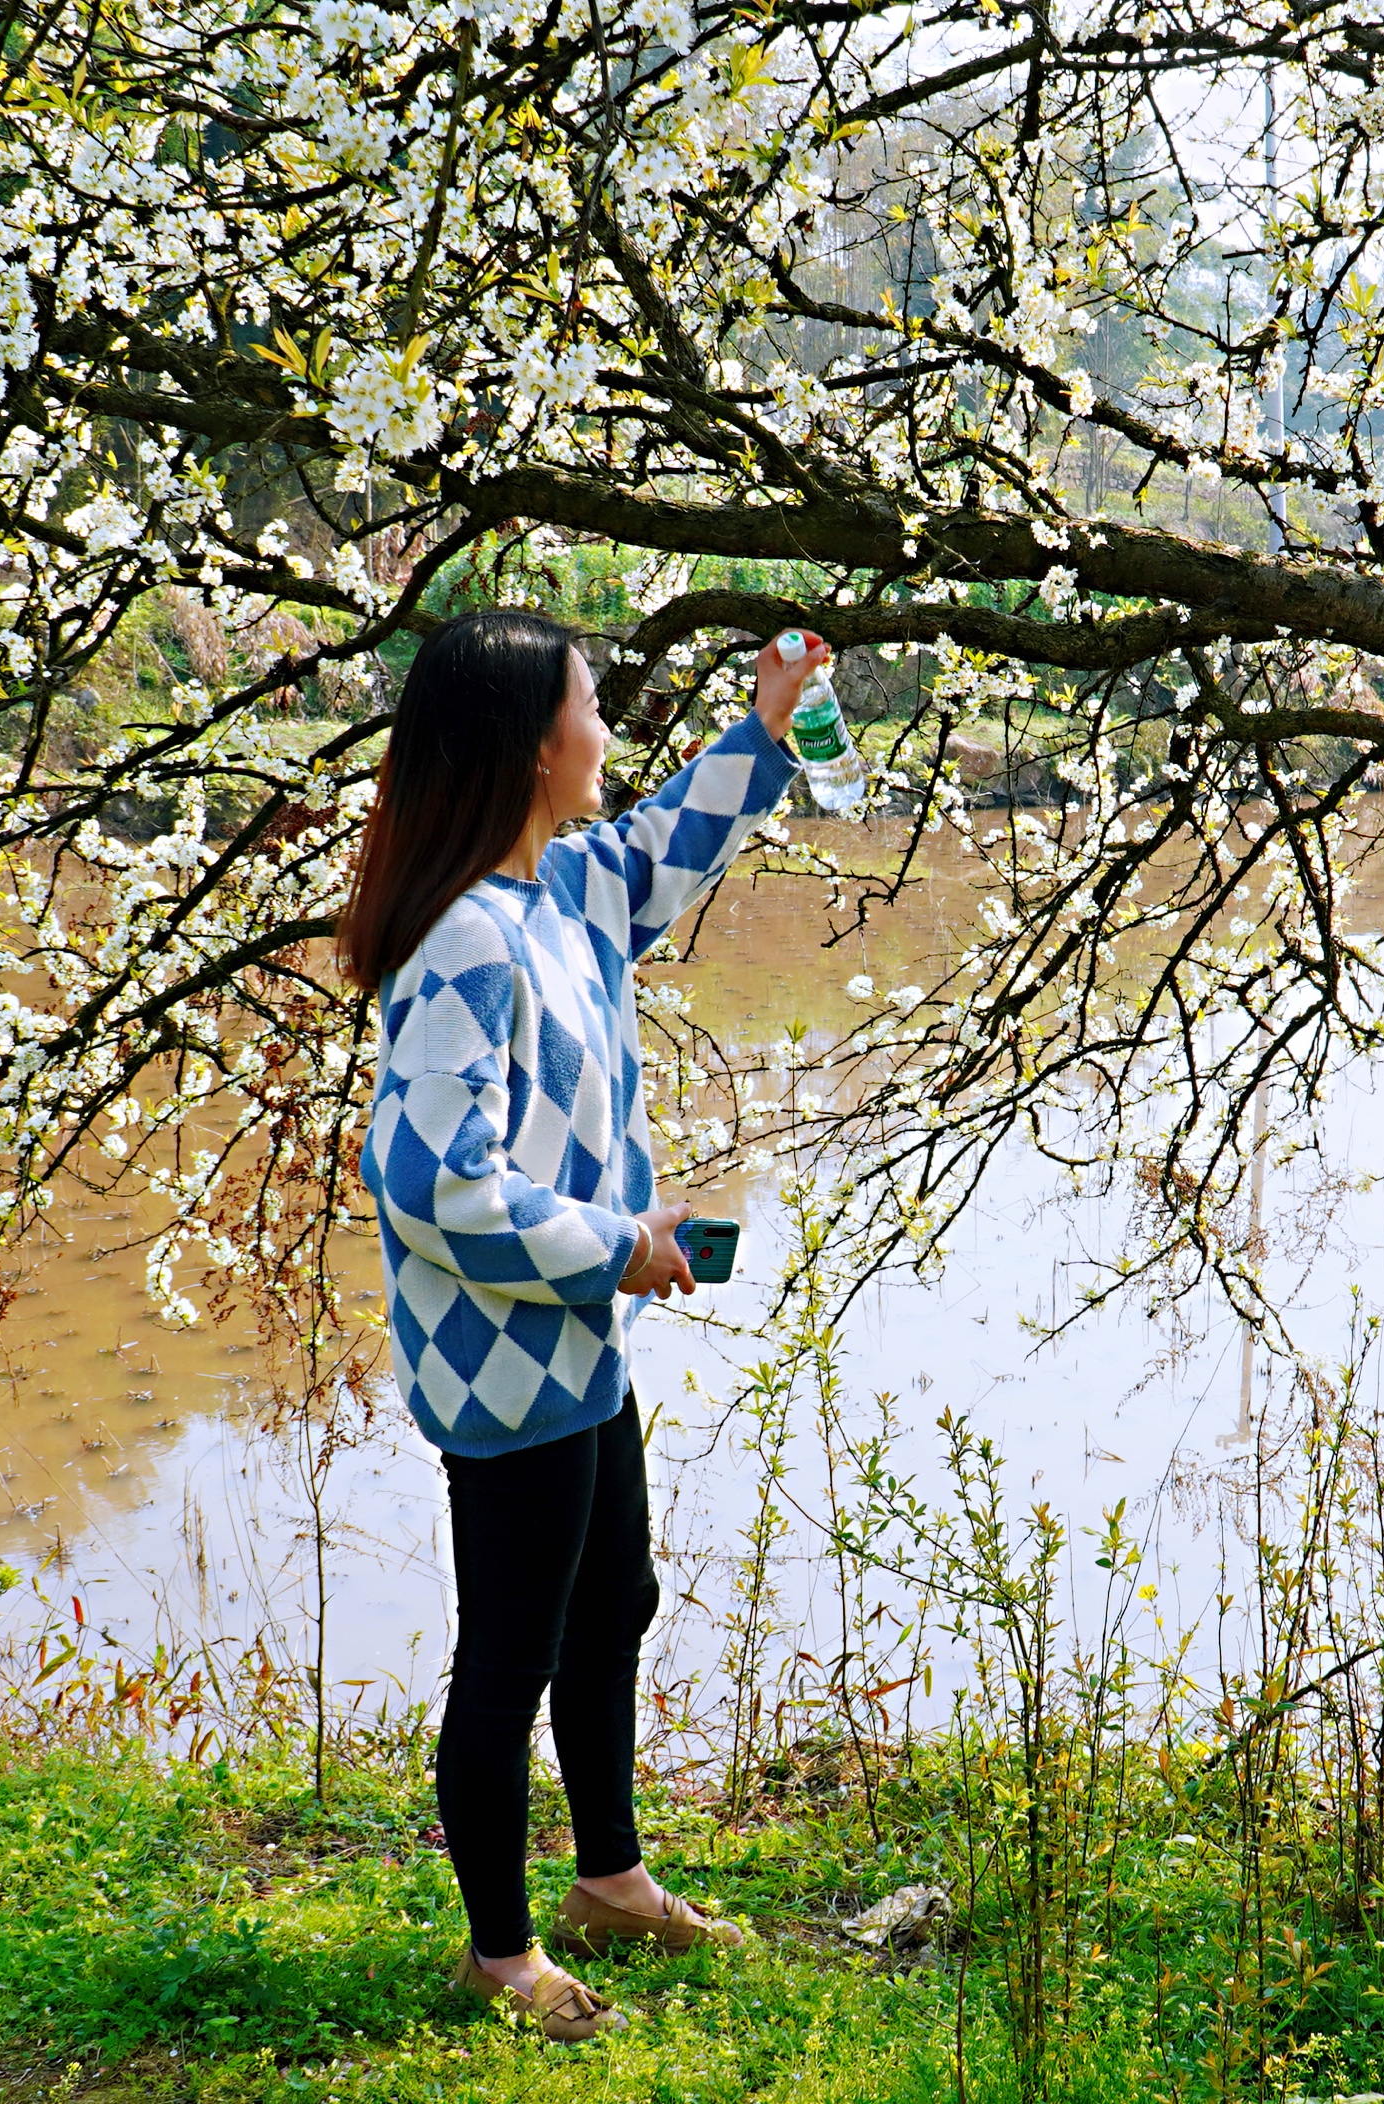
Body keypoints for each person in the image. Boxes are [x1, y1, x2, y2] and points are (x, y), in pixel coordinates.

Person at [336, 609, 832, 2041]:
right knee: (508, 1659)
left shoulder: (559, 889)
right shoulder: (466, 946)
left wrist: (773, 721)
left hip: (576, 1348)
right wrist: (620, 1248)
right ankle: (503, 1956)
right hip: (508, 1368)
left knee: (613, 1603)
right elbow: (431, 1182)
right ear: (531, 745)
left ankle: (610, 1879)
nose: (609, 731)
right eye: (591, 706)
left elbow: (674, 843)